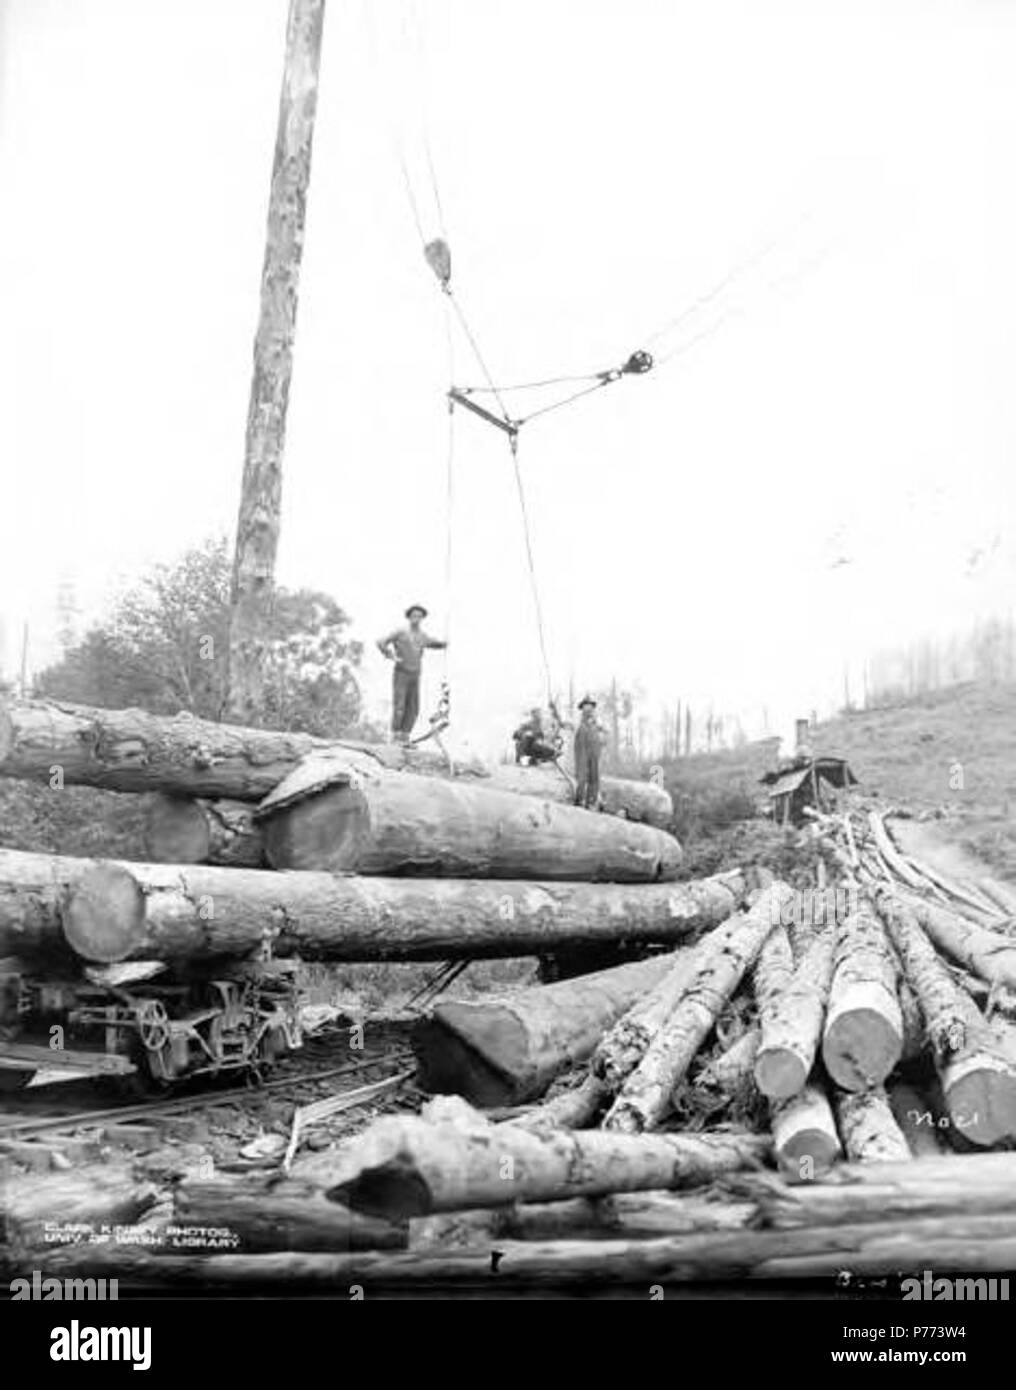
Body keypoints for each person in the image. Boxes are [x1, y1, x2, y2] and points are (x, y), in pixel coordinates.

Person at [377, 605, 447, 742]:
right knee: (399, 706)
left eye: (420, 616)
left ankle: (405, 736)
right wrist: (391, 656)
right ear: (409, 617)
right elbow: (381, 642)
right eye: (414, 616)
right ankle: (395, 736)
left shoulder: (422, 636)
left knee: (413, 707)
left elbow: (436, 643)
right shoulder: (401, 632)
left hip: (415, 674)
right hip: (401, 673)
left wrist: (446, 643)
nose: (417, 619)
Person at [573, 694, 605, 810]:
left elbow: (604, 734)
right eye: (586, 706)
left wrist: (601, 741)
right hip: (582, 750)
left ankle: (591, 802)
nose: (588, 708)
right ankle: (579, 800)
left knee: (594, 776)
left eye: (590, 706)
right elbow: (565, 725)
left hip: (594, 750)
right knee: (582, 776)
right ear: (582, 708)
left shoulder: (598, 722)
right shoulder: (578, 722)